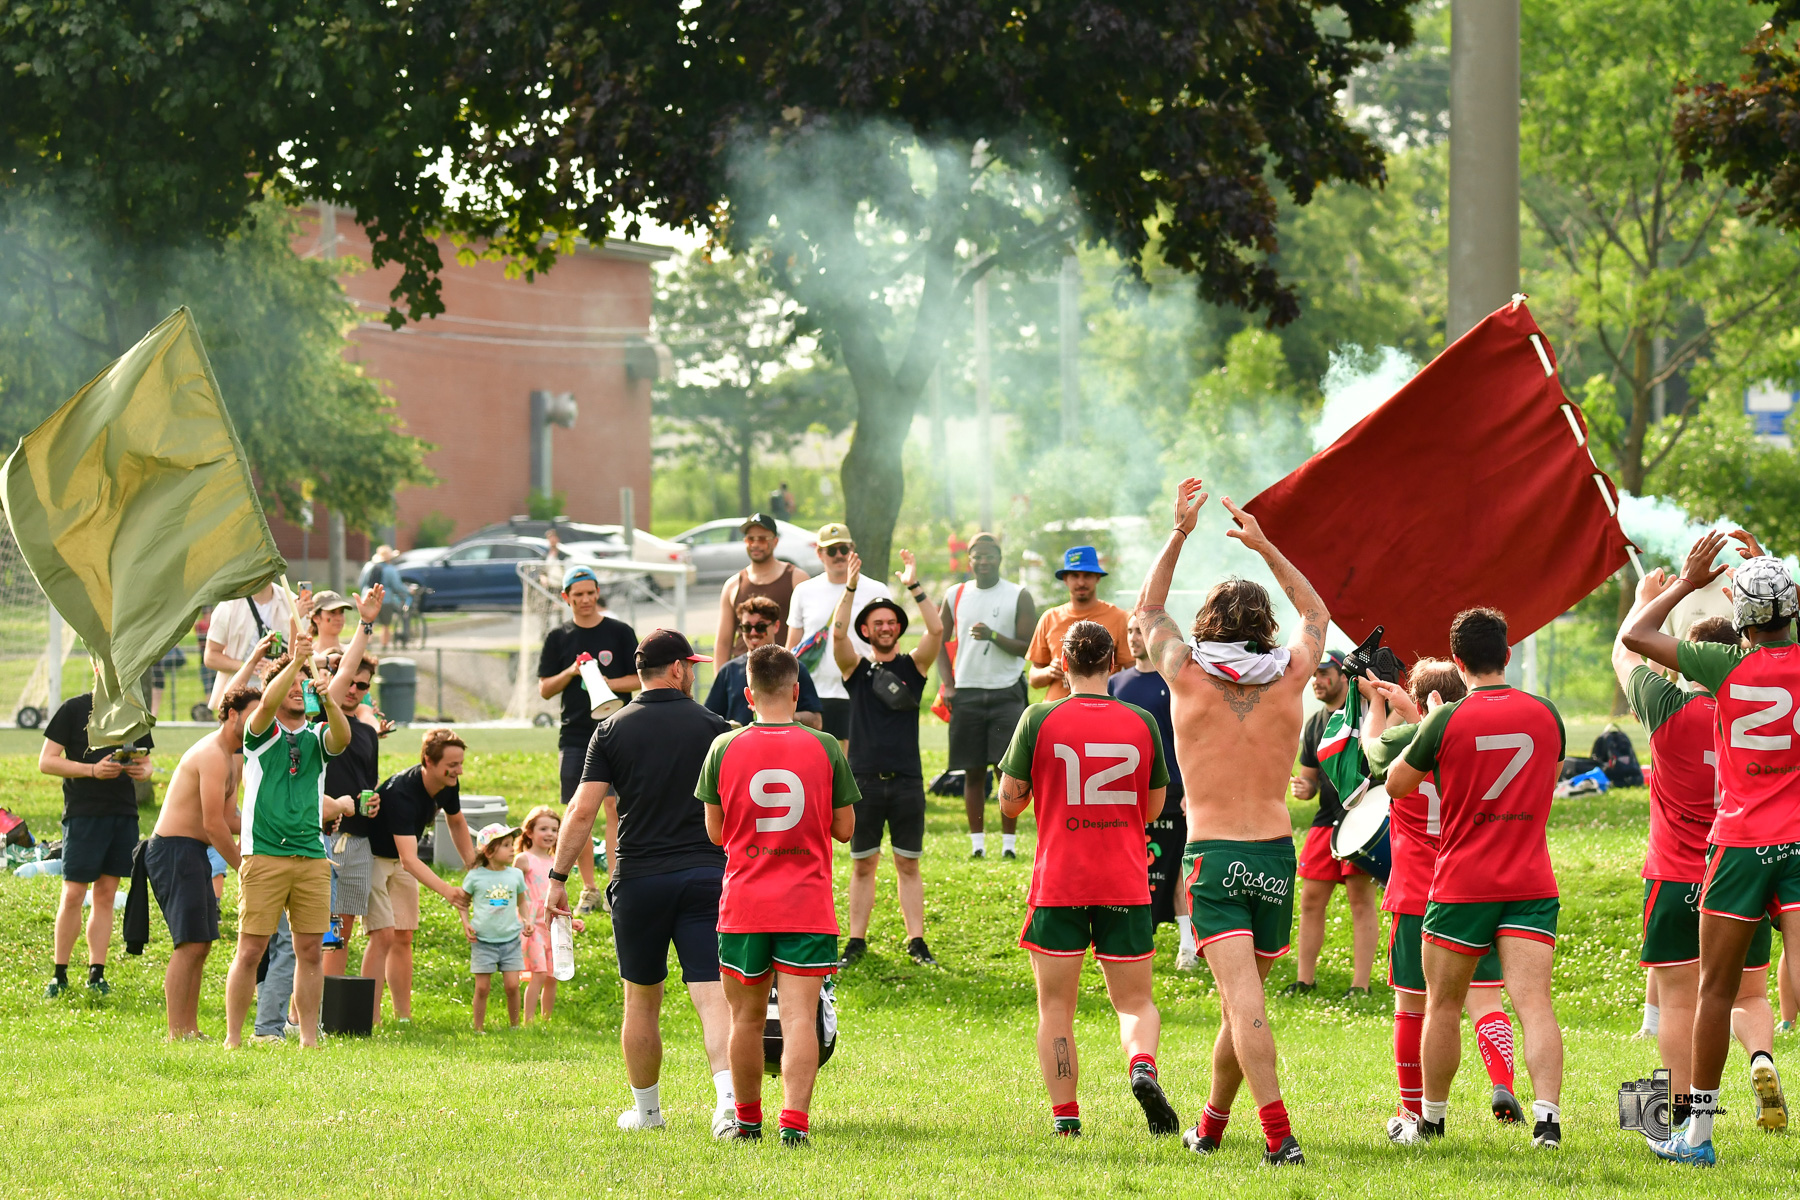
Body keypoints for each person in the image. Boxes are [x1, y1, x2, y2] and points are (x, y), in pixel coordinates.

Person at [1132, 477, 1325, 1166]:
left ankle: (1279, 1137)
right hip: (1276, 853)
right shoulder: (1293, 673)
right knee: (1238, 1005)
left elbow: (1149, 606)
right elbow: (1317, 611)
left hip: (1213, 855)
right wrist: (1268, 547)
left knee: (1243, 1005)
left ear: (1208, 622)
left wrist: (1181, 531)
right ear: (1264, 626)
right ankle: (1211, 1126)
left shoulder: (1184, 670)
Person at [1621, 531, 1800, 1165]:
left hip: (1731, 850)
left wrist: (1684, 585)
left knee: (1706, 994)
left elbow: (1635, 641)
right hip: (1798, 839)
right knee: (1767, 990)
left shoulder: (1722, 673)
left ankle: (1693, 1131)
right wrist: (1772, 574)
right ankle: (1763, 1060)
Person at [1383, 607, 1567, 1149]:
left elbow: (1396, 785)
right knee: (1534, 1004)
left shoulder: (1445, 719)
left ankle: (1433, 1121)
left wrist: (1431, 722)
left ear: (1458, 662)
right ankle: (1547, 1122)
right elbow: (1549, 778)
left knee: (1441, 1004)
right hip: (1532, 880)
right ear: (1507, 654)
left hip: (1463, 881)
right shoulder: (1546, 712)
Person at [548, 628, 739, 1135]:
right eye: (692, 667)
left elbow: (582, 810)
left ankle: (648, 1113)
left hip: (638, 879)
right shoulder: (719, 728)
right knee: (713, 993)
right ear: (676, 669)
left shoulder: (610, 731)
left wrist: (557, 878)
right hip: (706, 874)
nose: (695, 674)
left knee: (641, 998)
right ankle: (727, 1106)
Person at [997, 619, 1179, 1138]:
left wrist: (1021, 793)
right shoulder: (1142, 721)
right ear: (1113, 661)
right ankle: (1142, 1064)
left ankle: (1066, 1118)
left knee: (1056, 1007)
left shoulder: (1038, 718)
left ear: (1065, 661)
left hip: (1060, 882)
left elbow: (1011, 805)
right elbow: (1153, 807)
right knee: (1136, 1002)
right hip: (1123, 879)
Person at [700, 644, 860, 1144]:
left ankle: (747, 1123)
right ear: (795, 691)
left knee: (744, 1019)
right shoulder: (826, 746)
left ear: (747, 694)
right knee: (797, 1018)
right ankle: (795, 1125)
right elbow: (846, 829)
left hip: (745, 904)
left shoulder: (723, 748)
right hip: (807, 906)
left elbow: (714, 833)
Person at [1359, 660, 1525, 1140]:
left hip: (1416, 892)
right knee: (1485, 997)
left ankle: (1414, 1113)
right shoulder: (1473, 741)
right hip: (1473, 887)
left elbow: (1371, 749)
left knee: (1413, 1006)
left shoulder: (1403, 741)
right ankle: (1502, 1082)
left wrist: (1377, 703)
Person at [222, 622, 361, 1050]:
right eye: (293, 686)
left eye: (305, 687)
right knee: (250, 950)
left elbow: (343, 736)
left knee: (311, 952)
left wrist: (327, 699)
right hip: (264, 854)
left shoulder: (318, 736)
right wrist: (299, 660)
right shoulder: (260, 734)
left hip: (311, 855)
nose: (299, 691)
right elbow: (265, 703)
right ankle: (233, 1039)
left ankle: (307, 1039)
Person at [832, 549, 944, 968]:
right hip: (862, 780)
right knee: (862, 866)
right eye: (877, 622)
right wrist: (850, 588)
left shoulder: (914, 667)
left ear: (898, 628)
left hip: (907, 781)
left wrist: (914, 585)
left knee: (907, 863)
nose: (885, 627)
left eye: (891, 622)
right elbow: (837, 636)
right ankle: (856, 941)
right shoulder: (855, 670)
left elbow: (936, 630)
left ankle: (917, 941)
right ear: (867, 629)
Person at [145, 686, 256, 1040]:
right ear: (233, 714)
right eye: (252, 715)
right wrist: (243, 867)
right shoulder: (211, 754)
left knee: (202, 942)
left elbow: (230, 818)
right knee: (189, 943)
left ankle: (189, 1029)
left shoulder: (233, 757)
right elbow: (213, 824)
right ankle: (178, 1032)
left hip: (193, 853)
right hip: (174, 850)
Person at [39, 689, 156, 997]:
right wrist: (92, 770)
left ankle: (97, 973)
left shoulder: (133, 710)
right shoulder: (74, 709)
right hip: (83, 814)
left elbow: (147, 765)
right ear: (95, 663)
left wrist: (141, 771)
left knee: (105, 894)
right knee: (73, 893)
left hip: (123, 814)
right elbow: (47, 761)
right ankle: (59, 974)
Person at [538, 564, 640, 910]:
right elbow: (544, 690)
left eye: (590, 593)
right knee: (578, 808)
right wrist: (572, 671)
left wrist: (604, 683)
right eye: (577, 595)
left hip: (618, 731)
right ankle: (588, 887)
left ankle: (614, 885)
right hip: (576, 734)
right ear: (566, 598)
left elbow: (640, 679)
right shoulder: (559, 638)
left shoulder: (620, 632)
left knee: (614, 806)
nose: (585, 600)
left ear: (598, 593)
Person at [363, 728, 476, 1024]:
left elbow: (457, 821)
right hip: (374, 856)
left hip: (402, 858)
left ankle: (403, 1016)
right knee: (382, 935)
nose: (458, 770)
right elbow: (410, 859)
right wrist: (448, 891)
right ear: (428, 760)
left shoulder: (448, 784)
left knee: (403, 935)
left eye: (460, 763)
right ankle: (369, 1018)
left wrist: (472, 864)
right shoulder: (402, 793)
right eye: (451, 765)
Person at [1285, 650, 1378, 999]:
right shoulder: (1313, 725)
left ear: (1343, 677)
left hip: (1363, 819)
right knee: (1310, 900)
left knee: (1360, 901)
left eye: (1324, 674)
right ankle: (1305, 980)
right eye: (1313, 676)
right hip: (1327, 819)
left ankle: (1361, 985)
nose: (1316, 681)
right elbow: (1309, 783)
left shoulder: (1367, 714)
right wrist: (1304, 788)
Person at [938, 531, 1036, 860]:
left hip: (1006, 691)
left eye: (990, 555)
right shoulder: (956, 593)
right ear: (969, 560)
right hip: (965, 691)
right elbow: (938, 638)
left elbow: (1027, 647)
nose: (983, 561)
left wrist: (993, 636)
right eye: (977, 555)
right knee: (972, 771)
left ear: (999, 558)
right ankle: (977, 844)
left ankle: (1008, 845)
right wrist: (947, 683)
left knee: (1006, 770)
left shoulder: (1018, 594)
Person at [1110, 622, 1197, 970]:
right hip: (1124, 793)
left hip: (1173, 789)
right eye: (1129, 631)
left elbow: (1188, 739)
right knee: (1126, 869)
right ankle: (1127, 942)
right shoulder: (1115, 684)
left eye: (1139, 631)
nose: (1133, 637)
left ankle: (1187, 947)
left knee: (1177, 871)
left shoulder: (1172, 682)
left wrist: (1190, 790)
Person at [319, 590, 390, 979]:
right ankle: (298, 1012)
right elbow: (338, 676)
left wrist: (373, 803)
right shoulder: (322, 718)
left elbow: (368, 782)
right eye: (349, 682)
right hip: (323, 834)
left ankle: (328, 1009)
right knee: (315, 929)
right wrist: (365, 623)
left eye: (362, 686)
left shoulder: (366, 729)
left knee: (341, 933)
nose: (353, 690)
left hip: (359, 838)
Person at [786, 523, 892, 744]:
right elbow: (791, 648)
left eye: (844, 549)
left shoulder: (877, 590)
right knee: (819, 765)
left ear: (853, 549)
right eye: (831, 550)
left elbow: (889, 643)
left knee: (859, 766)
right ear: (819, 552)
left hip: (862, 690)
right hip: (815, 695)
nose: (839, 555)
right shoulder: (804, 592)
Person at [1027, 546, 1131, 703]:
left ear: (1097, 577)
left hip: (1102, 709)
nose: (1081, 582)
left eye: (1087, 575)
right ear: (1065, 579)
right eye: (1075, 576)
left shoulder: (1119, 617)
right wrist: (1049, 671)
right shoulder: (1050, 618)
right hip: (1057, 710)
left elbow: (1133, 671)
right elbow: (1034, 679)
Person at [705, 596, 823, 729]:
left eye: (760, 627)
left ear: (776, 626)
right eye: (746, 627)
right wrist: (730, 727)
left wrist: (784, 716)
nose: (753, 633)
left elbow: (816, 722)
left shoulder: (793, 667)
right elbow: (709, 720)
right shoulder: (728, 671)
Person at [460, 824, 529, 1032]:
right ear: (489, 851)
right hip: (483, 942)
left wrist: (526, 920)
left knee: (512, 986)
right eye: (506, 845)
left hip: (510, 940)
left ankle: (515, 1026)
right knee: (482, 988)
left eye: (512, 844)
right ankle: (478, 1028)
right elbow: (462, 902)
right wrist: (466, 923)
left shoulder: (515, 875)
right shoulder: (475, 876)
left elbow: (522, 902)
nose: (512, 849)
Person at [516, 806, 581, 1023]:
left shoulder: (557, 864)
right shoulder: (523, 860)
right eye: (544, 828)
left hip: (554, 927)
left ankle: (546, 1021)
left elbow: (560, 895)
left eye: (554, 830)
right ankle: (528, 1021)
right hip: (533, 925)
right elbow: (515, 891)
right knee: (539, 973)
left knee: (553, 976)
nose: (550, 834)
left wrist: (570, 919)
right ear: (529, 832)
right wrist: (522, 919)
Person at [714, 513, 809, 660]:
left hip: (784, 671)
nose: (756, 544)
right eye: (751, 539)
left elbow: (809, 631)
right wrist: (721, 680)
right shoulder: (733, 585)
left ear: (775, 541)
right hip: (744, 672)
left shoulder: (797, 579)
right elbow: (723, 642)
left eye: (763, 539)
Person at [203, 580, 297, 711]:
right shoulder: (228, 605)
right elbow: (210, 657)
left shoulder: (292, 601)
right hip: (240, 696)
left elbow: (304, 650)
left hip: (281, 694)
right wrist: (247, 665)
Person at [359, 546, 408, 650]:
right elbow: (397, 586)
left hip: (368, 597)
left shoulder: (368, 566)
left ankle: (368, 645)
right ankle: (384, 646)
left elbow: (361, 583)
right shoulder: (390, 570)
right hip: (385, 599)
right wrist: (407, 592)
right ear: (389, 558)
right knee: (385, 624)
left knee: (369, 622)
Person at [305, 590, 357, 672]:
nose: (339, 618)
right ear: (316, 618)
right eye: (332, 612)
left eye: (341, 612)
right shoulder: (308, 654)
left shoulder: (351, 651)